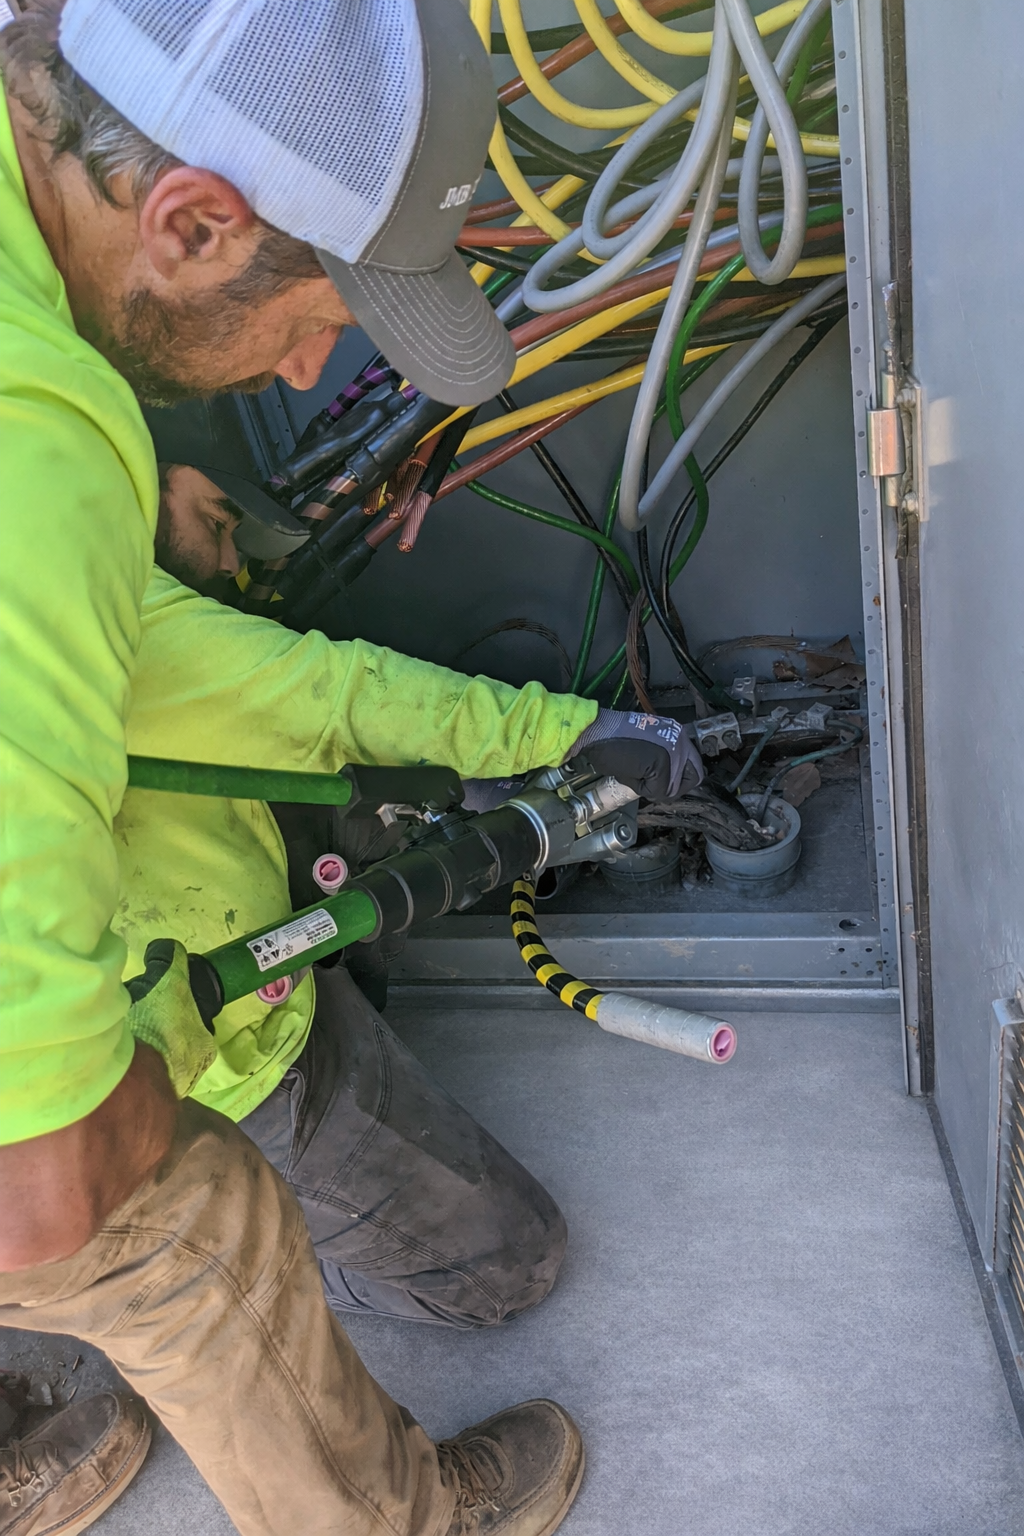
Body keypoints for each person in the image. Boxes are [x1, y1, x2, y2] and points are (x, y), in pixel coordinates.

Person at [0, 4, 691, 1533]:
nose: (320, 362)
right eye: (321, 314)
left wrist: (540, 739)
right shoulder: (33, 444)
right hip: (158, 1003)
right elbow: (37, 1169)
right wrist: (74, 1126)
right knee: (185, 1221)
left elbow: (200, 683)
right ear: (189, 220)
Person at [110, 460, 702, 1333]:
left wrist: (467, 786)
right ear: (136, 483)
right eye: (218, 516)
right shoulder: (104, 608)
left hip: (237, 930)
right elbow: (326, 693)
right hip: (215, 1061)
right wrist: (576, 732)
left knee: (390, 814)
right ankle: (231, 1261)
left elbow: (254, 717)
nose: (232, 558)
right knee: (508, 1261)